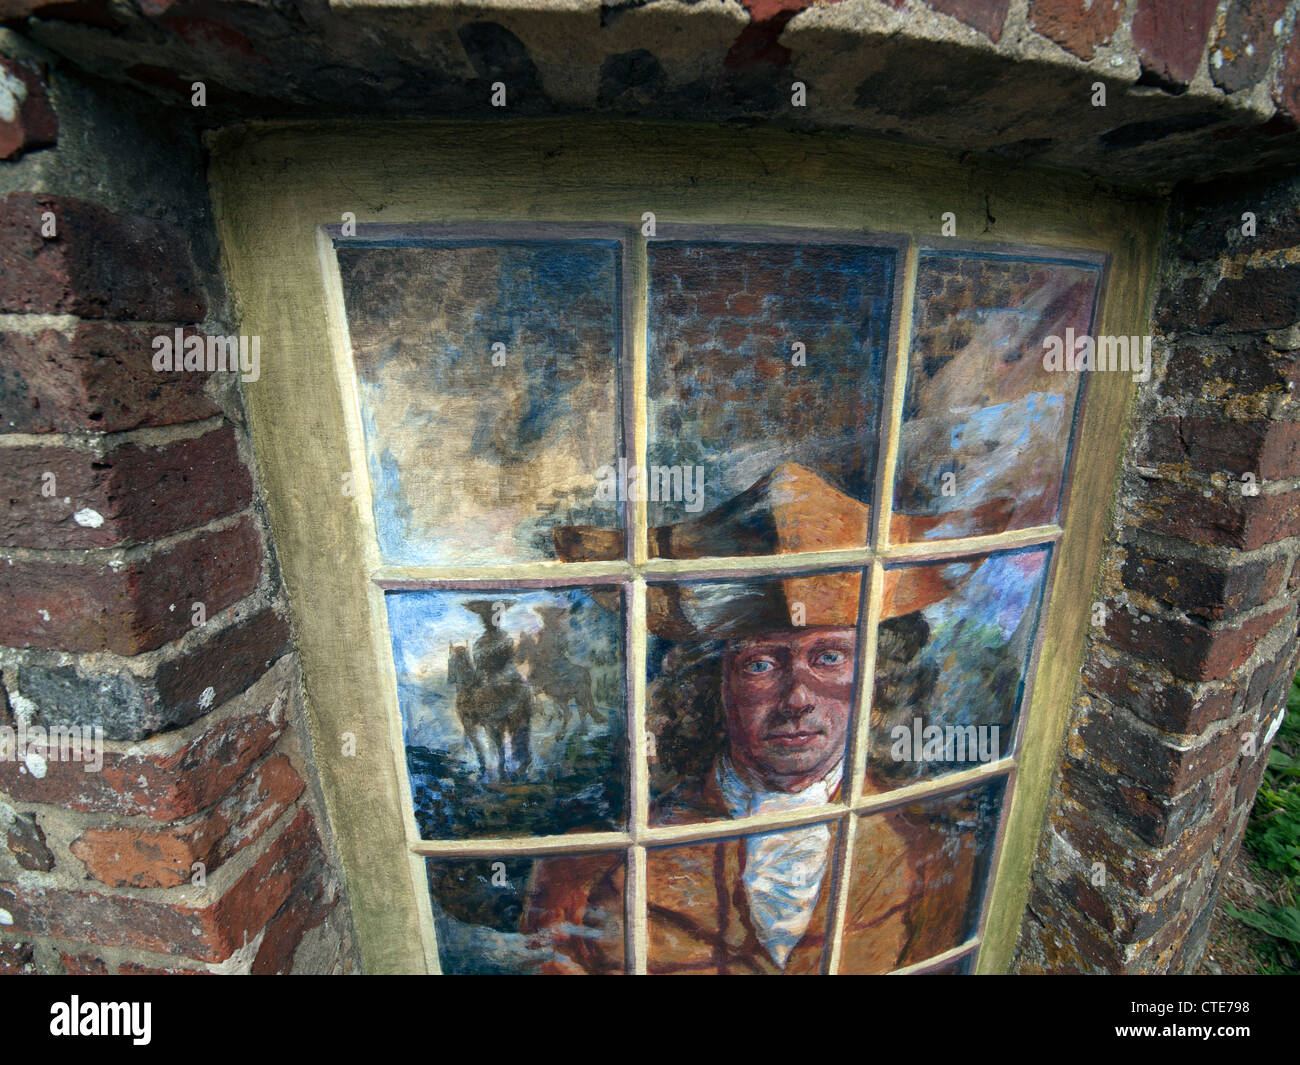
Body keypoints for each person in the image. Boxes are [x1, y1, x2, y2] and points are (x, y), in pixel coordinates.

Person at [521, 463, 987, 974]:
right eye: (761, 664)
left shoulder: (936, 853)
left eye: (829, 657)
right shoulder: (584, 871)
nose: (798, 699)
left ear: (878, 676)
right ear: (710, 686)